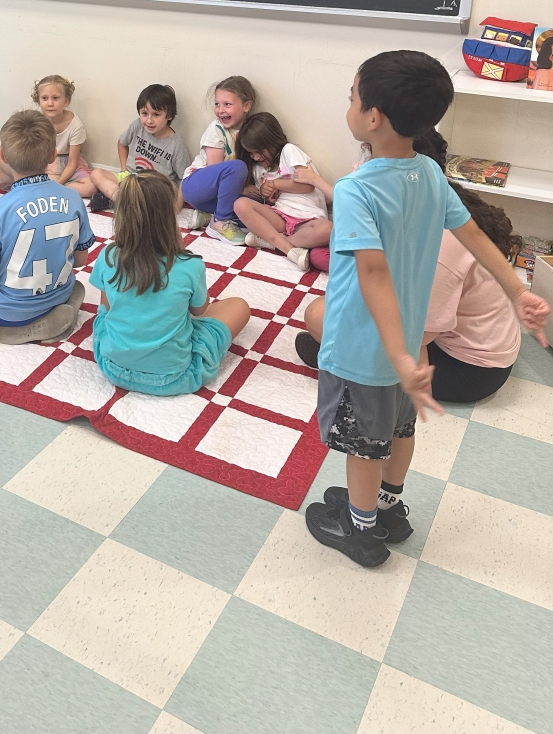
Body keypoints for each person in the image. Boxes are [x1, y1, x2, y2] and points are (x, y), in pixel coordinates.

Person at [303, 51, 549, 568]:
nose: (348, 104)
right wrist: (515, 290)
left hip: (366, 350)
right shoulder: (431, 175)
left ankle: (360, 527)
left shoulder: (355, 189)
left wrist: (395, 356)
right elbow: (475, 234)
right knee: (398, 432)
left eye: (352, 96)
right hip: (409, 344)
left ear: (373, 118)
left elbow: (370, 274)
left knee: (362, 446)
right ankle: (388, 508)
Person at [294, 129, 549, 403]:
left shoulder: (438, 243)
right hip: (480, 343)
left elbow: (420, 334)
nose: (359, 166)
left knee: (319, 314)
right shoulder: (438, 197)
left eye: (369, 158)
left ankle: (349, 365)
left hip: (469, 371)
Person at [90, 172, 251, 394]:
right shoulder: (190, 264)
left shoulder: (108, 255)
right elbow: (199, 310)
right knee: (239, 306)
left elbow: (107, 308)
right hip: (174, 377)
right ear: (170, 218)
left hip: (113, 367)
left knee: (105, 315)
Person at [0, 110, 95, 344]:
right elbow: (80, 261)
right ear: (52, 155)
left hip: (10, 312)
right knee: (75, 284)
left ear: (5, 158)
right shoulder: (74, 199)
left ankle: (25, 326)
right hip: (59, 290)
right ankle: (59, 307)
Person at [231, 112, 333, 269]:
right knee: (240, 204)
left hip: (307, 219)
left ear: (271, 140)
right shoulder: (258, 169)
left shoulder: (289, 151)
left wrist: (277, 184)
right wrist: (267, 195)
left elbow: (308, 184)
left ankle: (271, 242)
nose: (256, 157)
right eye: (251, 153)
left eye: (258, 151)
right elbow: (270, 200)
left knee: (327, 229)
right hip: (280, 218)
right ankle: (287, 248)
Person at [0, 75, 95, 196]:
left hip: (66, 164)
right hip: (40, 160)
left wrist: (59, 184)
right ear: (38, 101)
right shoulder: (36, 120)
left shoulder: (76, 125)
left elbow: (72, 163)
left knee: (90, 186)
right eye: (45, 98)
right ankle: (35, 182)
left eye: (56, 98)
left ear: (66, 101)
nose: (50, 103)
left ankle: (42, 185)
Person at [179, 75, 258, 240]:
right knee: (237, 167)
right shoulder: (216, 129)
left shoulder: (248, 131)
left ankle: (208, 214)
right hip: (195, 185)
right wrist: (242, 188)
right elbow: (215, 169)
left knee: (257, 207)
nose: (220, 110)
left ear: (246, 106)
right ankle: (220, 222)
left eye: (227, 104)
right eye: (217, 104)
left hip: (212, 198)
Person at [88, 84, 192, 211]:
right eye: (144, 113)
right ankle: (129, 203)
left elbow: (185, 177)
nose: (149, 120)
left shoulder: (176, 144)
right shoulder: (137, 126)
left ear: (169, 116)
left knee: (157, 199)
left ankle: (118, 201)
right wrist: (124, 169)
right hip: (131, 179)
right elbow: (122, 143)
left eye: (156, 114)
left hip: (155, 188)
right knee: (96, 174)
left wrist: (177, 206)